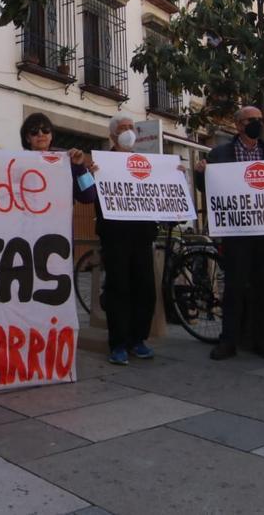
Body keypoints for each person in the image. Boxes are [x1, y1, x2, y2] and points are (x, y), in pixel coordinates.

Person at [195, 106, 264, 361]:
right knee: (234, 286)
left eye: (259, 120)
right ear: (238, 125)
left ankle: (260, 339)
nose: (257, 123)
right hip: (236, 231)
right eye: (250, 120)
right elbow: (207, 187)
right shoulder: (220, 154)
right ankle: (229, 340)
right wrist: (201, 173)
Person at [94, 113, 158, 365]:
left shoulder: (145, 163)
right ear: (112, 135)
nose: (129, 131)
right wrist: (91, 174)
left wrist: (172, 176)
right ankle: (118, 343)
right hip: (115, 236)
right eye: (123, 128)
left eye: (132, 127)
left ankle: (138, 339)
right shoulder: (102, 162)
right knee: (118, 289)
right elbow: (89, 192)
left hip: (142, 235)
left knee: (145, 288)